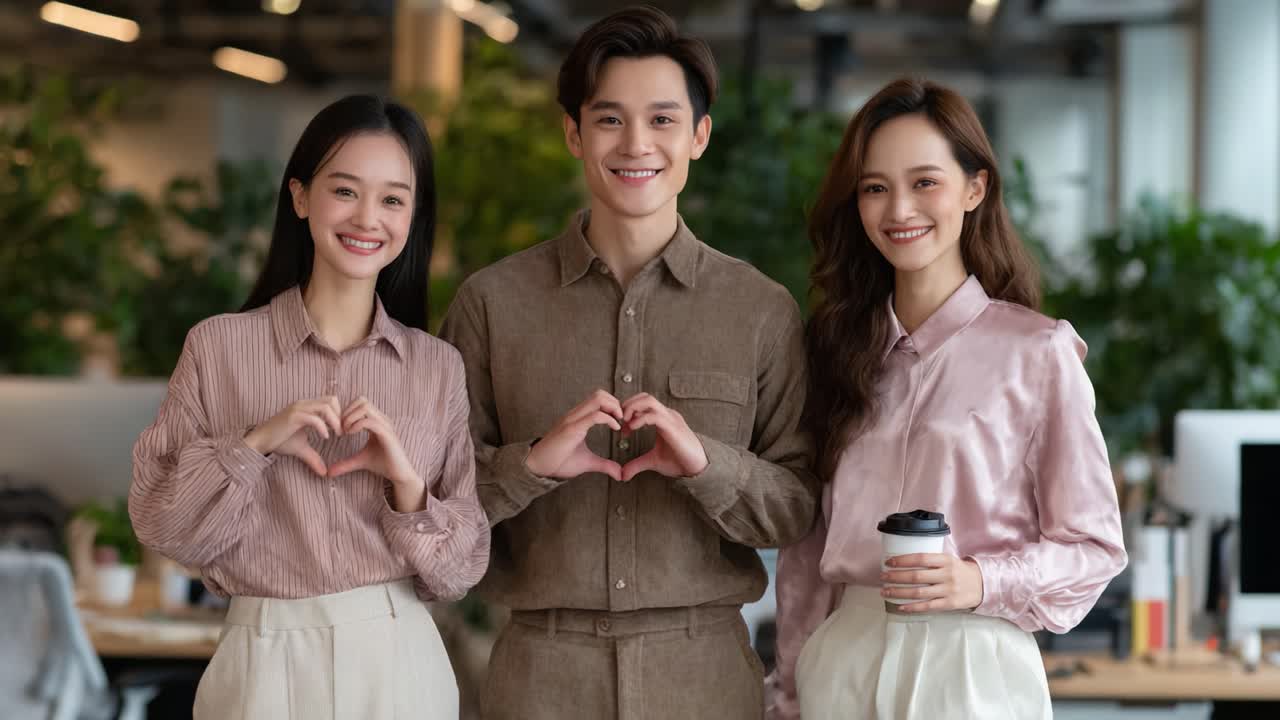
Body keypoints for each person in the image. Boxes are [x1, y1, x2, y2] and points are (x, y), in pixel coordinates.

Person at [437, 6, 818, 719]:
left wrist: (707, 465)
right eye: (610, 119)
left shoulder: (760, 310)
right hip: (538, 681)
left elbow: (797, 508)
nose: (636, 143)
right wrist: (532, 467)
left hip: (703, 679)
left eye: (663, 120)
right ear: (574, 134)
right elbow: (433, 505)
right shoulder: (491, 304)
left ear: (699, 136)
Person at [766, 77, 1127, 720]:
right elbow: (805, 556)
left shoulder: (1037, 352)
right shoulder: (833, 352)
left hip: (973, 666)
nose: (899, 208)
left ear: (974, 188)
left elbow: (1094, 548)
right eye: (876, 188)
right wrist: (786, 696)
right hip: (844, 661)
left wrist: (980, 581)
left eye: (924, 182)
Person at [130, 94, 488, 720]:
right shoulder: (218, 347)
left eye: (393, 199)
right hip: (259, 654)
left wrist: (405, 486)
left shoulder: (437, 367)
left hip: (398, 655)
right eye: (345, 190)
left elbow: (458, 573)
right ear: (300, 197)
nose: (368, 218)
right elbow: (166, 528)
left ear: (413, 216)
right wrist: (253, 445)